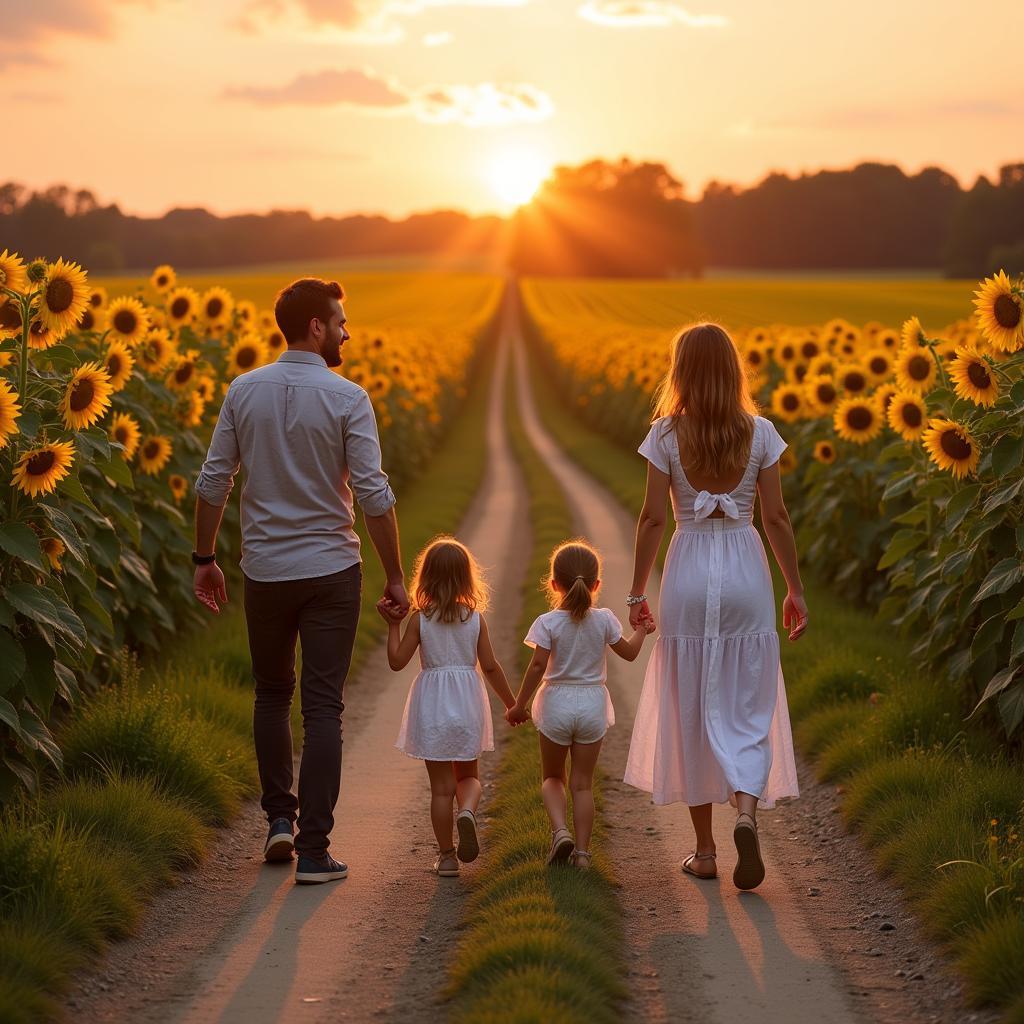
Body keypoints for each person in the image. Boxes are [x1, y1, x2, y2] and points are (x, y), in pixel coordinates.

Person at [191, 277, 409, 885]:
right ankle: (314, 851)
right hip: (332, 572)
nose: (346, 331)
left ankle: (278, 823)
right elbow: (372, 494)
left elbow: (213, 482)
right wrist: (394, 575)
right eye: (340, 321)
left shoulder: (243, 390)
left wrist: (202, 559)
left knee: (270, 694)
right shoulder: (348, 398)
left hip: (265, 571)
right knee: (322, 709)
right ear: (315, 325)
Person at [623, 322, 807, 891]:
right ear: (733, 371)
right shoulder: (760, 433)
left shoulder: (666, 434)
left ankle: (704, 851)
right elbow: (775, 517)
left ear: (681, 372)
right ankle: (746, 813)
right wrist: (795, 588)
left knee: (691, 700)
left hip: (690, 568)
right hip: (747, 570)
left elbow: (654, 517)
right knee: (747, 698)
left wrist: (636, 593)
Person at [507, 541, 655, 870]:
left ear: (553, 583)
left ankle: (560, 831)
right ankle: (584, 855)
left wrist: (519, 704)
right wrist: (643, 630)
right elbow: (629, 653)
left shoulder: (547, 622)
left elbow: (536, 667)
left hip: (557, 703)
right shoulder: (603, 620)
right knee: (582, 784)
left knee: (553, 778)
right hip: (592, 705)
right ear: (597, 585)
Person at [380, 536, 517, 877]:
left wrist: (393, 625)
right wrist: (512, 703)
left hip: (432, 708)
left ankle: (447, 858)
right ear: (467, 578)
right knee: (468, 776)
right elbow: (489, 666)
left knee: (441, 789)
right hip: (467, 704)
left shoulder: (420, 620)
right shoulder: (474, 619)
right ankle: (467, 811)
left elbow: (397, 662)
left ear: (425, 578)